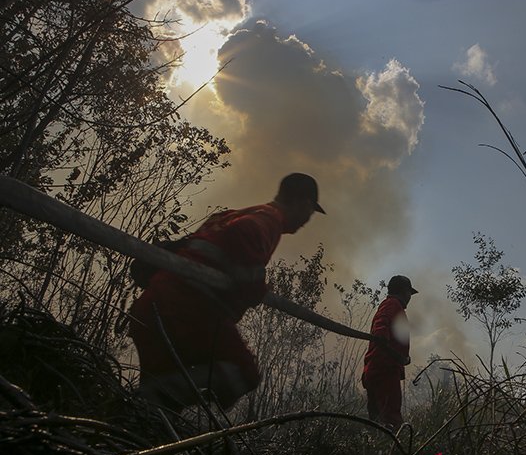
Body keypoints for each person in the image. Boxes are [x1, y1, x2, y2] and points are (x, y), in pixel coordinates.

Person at [129, 172, 325, 412]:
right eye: (311, 213)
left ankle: (121, 420)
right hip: (187, 310)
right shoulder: (269, 219)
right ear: (304, 204)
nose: (307, 220)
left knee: (151, 412)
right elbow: (243, 234)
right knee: (244, 372)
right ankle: (155, 397)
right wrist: (256, 288)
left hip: (153, 307)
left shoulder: (232, 215)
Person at [362, 275, 417, 429]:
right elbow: (381, 328)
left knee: (377, 421)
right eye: (409, 293)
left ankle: (374, 450)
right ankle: (395, 451)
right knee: (391, 420)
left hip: (380, 369)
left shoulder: (393, 306)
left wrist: (403, 358)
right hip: (384, 370)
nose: (409, 297)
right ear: (404, 291)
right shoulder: (392, 305)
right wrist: (383, 338)